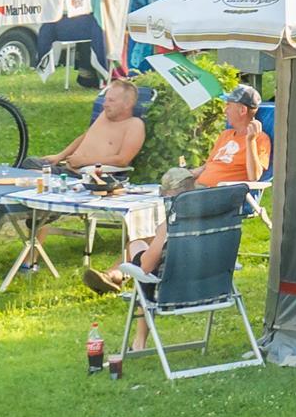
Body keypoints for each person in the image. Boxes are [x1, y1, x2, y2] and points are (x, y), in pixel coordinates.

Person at [88, 87, 271, 292]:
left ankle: (132, 271)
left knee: (166, 227)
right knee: (158, 217)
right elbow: (210, 165)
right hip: (197, 190)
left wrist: (250, 141)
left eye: (229, 105)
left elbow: (254, 175)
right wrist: (186, 173)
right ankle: (116, 274)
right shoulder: (226, 135)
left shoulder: (260, 139)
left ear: (242, 110)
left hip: (218, 197)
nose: (225, 109)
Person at [52, 67, 147, 177]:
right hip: (66, 170)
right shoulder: (105, 115)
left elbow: (123, 160)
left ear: (128, 104)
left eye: (111, 100)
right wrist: (59, 156)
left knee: (37, 176)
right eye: (105, 99)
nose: (105, 104)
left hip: (87, 177)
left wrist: (84, 161)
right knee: (34, 165)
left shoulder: (134, 125)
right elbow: (87, 136)